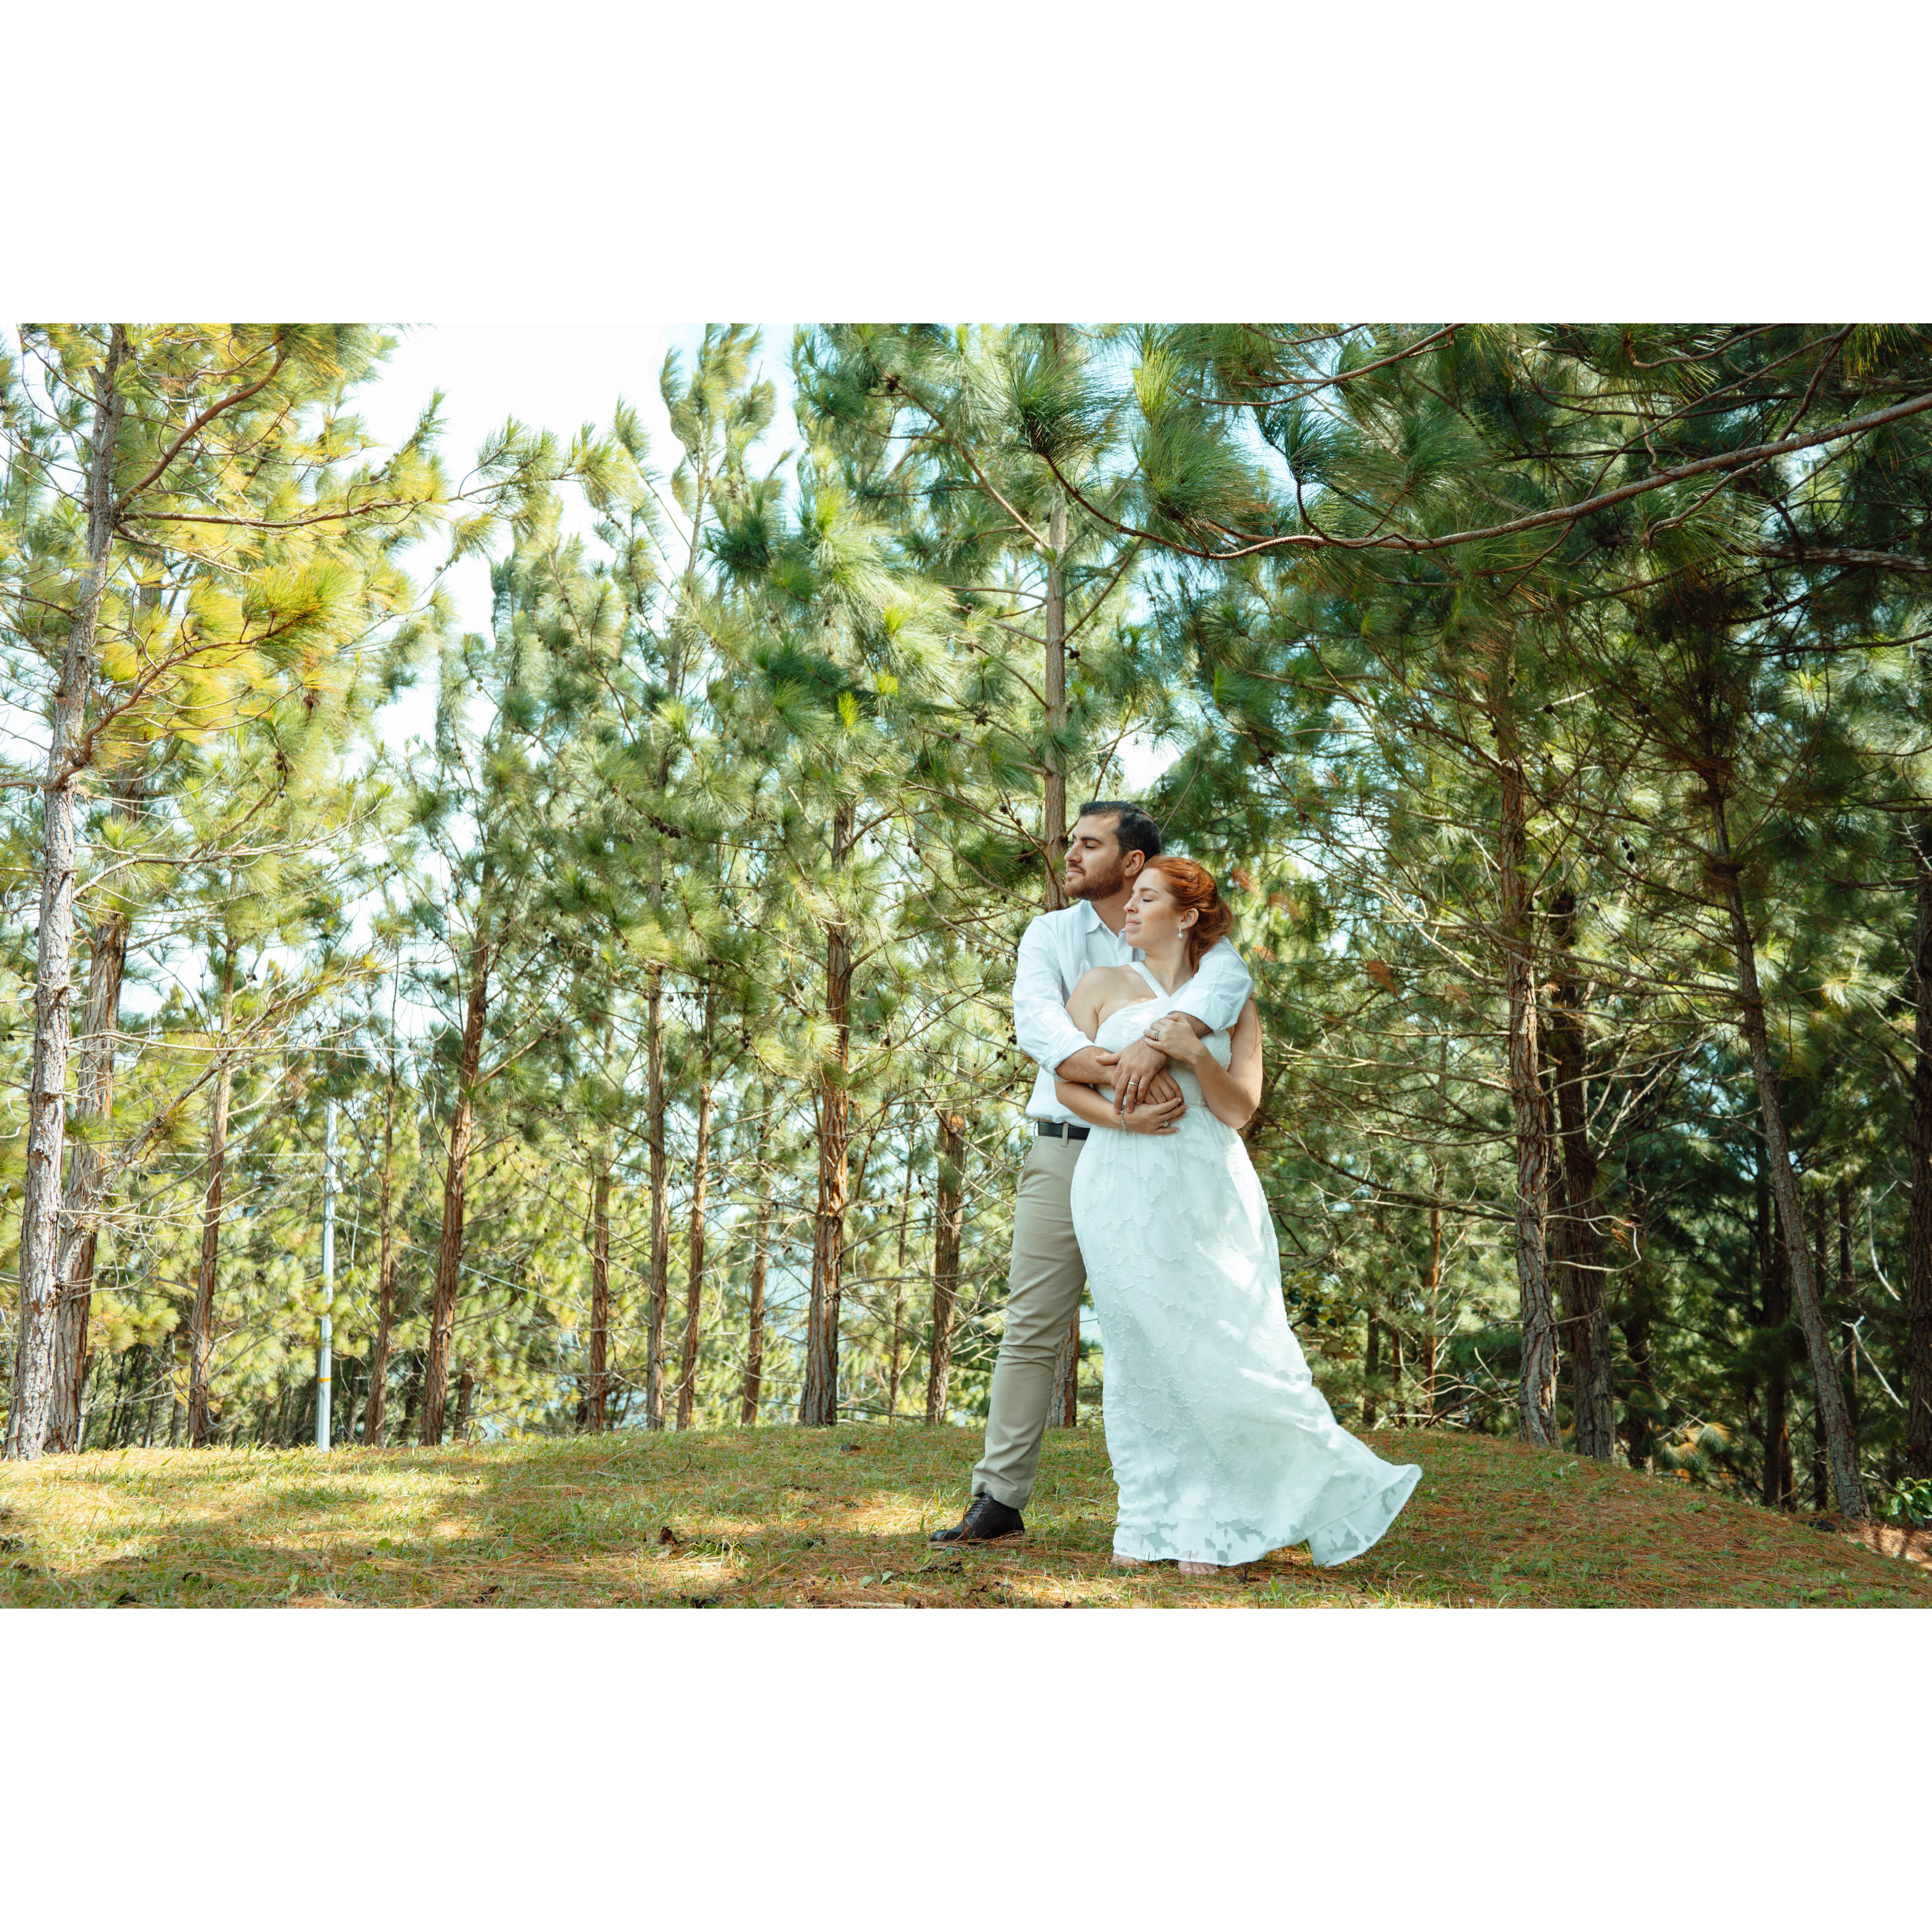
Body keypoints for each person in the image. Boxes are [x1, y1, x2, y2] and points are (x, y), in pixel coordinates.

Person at [1054, 856, 1420, 1572]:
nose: (1131, 908)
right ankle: (1149, 1519)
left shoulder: (1229, 999)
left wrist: (1195, 1054)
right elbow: (1064, 1087)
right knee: (1140, 1349)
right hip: (1118, 1182)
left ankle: (1222, 1515)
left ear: (1186, 916)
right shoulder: (1098, 987)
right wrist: (1124, 1119)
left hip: (1208, 1184)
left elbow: (1239, 1110)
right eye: (1132, 897)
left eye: (1147, 897)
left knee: (1224, 1340)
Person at [930, 803, 1254, 1548]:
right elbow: (1041, 1029)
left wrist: (1160, 1047)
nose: (1070, 855)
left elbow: (1220, 996)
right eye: (1071, 842)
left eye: (1088, 845)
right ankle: (998, 1499)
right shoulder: (1051, 934)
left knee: (1175, 1322)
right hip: (1068, 1148)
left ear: (1134, 862)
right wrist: (1124, 1074)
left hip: (1165, 1162)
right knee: (1032, 1323)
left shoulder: (1200, 948)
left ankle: (1194, 1499)